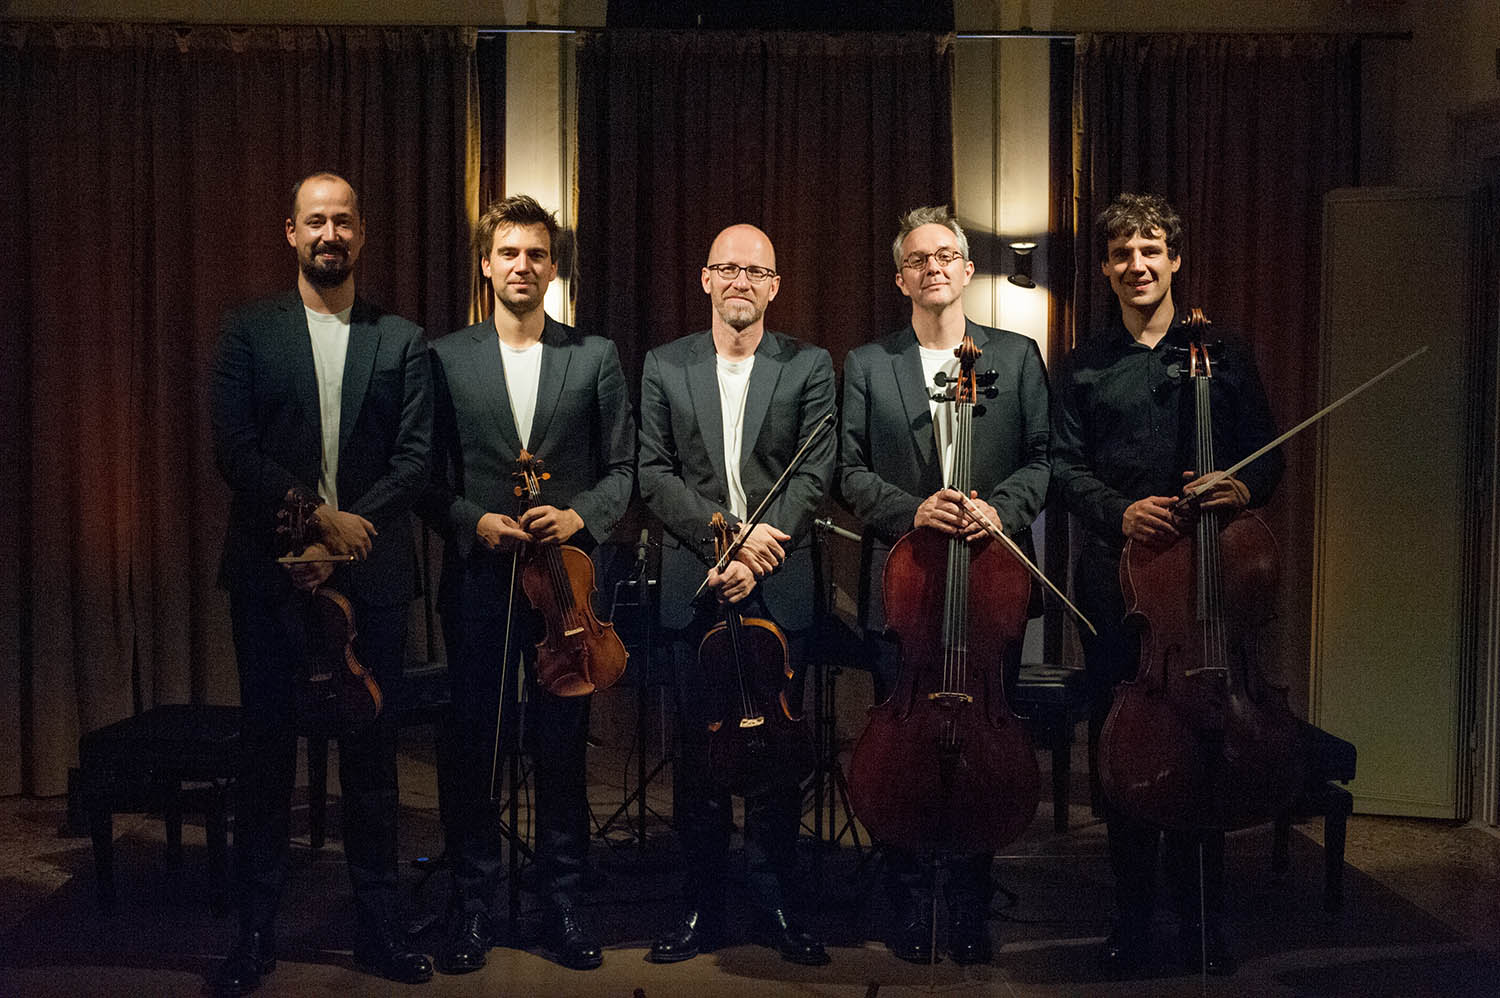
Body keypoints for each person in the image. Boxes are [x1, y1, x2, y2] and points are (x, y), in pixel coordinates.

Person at [210, 171, 434, 995]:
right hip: (270, 576)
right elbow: (233, 449)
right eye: (315, 221)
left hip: (369, 577)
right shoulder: (248, 331)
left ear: (361, 234)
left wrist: (344, 537)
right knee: (266, 760)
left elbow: (413, 460)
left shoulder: (402, 339)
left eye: (343, 220)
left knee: (373, 765)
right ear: (291, 233)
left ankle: (380, 930)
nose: (330, 234)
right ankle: (256, 935)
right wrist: (313, 517)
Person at [1051, 192, 1283, 978]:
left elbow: (1270, 456)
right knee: (1121, 743)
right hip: (1117, 583)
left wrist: (1242, 488)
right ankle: (1131, 915)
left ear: (1175, 259)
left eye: (1150, 250)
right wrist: (1121, 511)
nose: (1137, 265)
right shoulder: (1083, 364)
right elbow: (1062, 469)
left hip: (1207, 585)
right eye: (1121, 254)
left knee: (1205, 734)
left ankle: (1204, 915)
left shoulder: (1226, 352)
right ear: (1107, 268)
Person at [418, 195, 635, 974]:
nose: (522, 265)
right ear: (486, 263)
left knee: (561, 747)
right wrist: (474, 521)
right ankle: (472, 906)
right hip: (479, 579)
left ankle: (563, 904)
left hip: (565, 589)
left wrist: (578, 518)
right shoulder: (442, 358)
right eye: (508, 252)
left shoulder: (595, 356)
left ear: (554, 266)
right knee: (474, 744)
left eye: (536, 254)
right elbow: (425, 477)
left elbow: (625, 471)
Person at [836, 205, 1051, 965]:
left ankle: (969, 904)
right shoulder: (867, 364)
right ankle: (904, 899)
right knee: (905, 746)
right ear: (902, 278)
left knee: (983, 741)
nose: (934, 266)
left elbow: (1042, 460)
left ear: (965, 269)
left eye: (947, 255)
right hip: (906, 588)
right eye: (918, 259)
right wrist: (911, 507)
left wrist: (1001, 508)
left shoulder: (1019, 357)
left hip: (990, 590)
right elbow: (848, 471)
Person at [638, 223, 834, 966]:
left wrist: (760, 551)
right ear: (706, 278)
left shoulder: (810, 365)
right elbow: (652, 471)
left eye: (757, 271)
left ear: (775, 285)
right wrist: (723, 536)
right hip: (698, 579)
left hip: (778, 579)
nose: (742, 281)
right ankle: (700, 904)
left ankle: (776, 901)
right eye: (729, 269)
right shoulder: (664, 365)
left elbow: (817, 471)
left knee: (779, 755)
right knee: (700, 755)